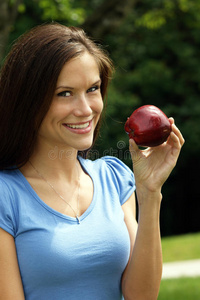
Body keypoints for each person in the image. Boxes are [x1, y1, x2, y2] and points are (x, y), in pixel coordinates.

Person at [0, 23, 184, 300]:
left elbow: (141, 296)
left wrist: (150, 192)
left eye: (93, 89)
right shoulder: (5, 195)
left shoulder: (114, 177)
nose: (85, 109)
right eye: (65, 93)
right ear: (28, 101)